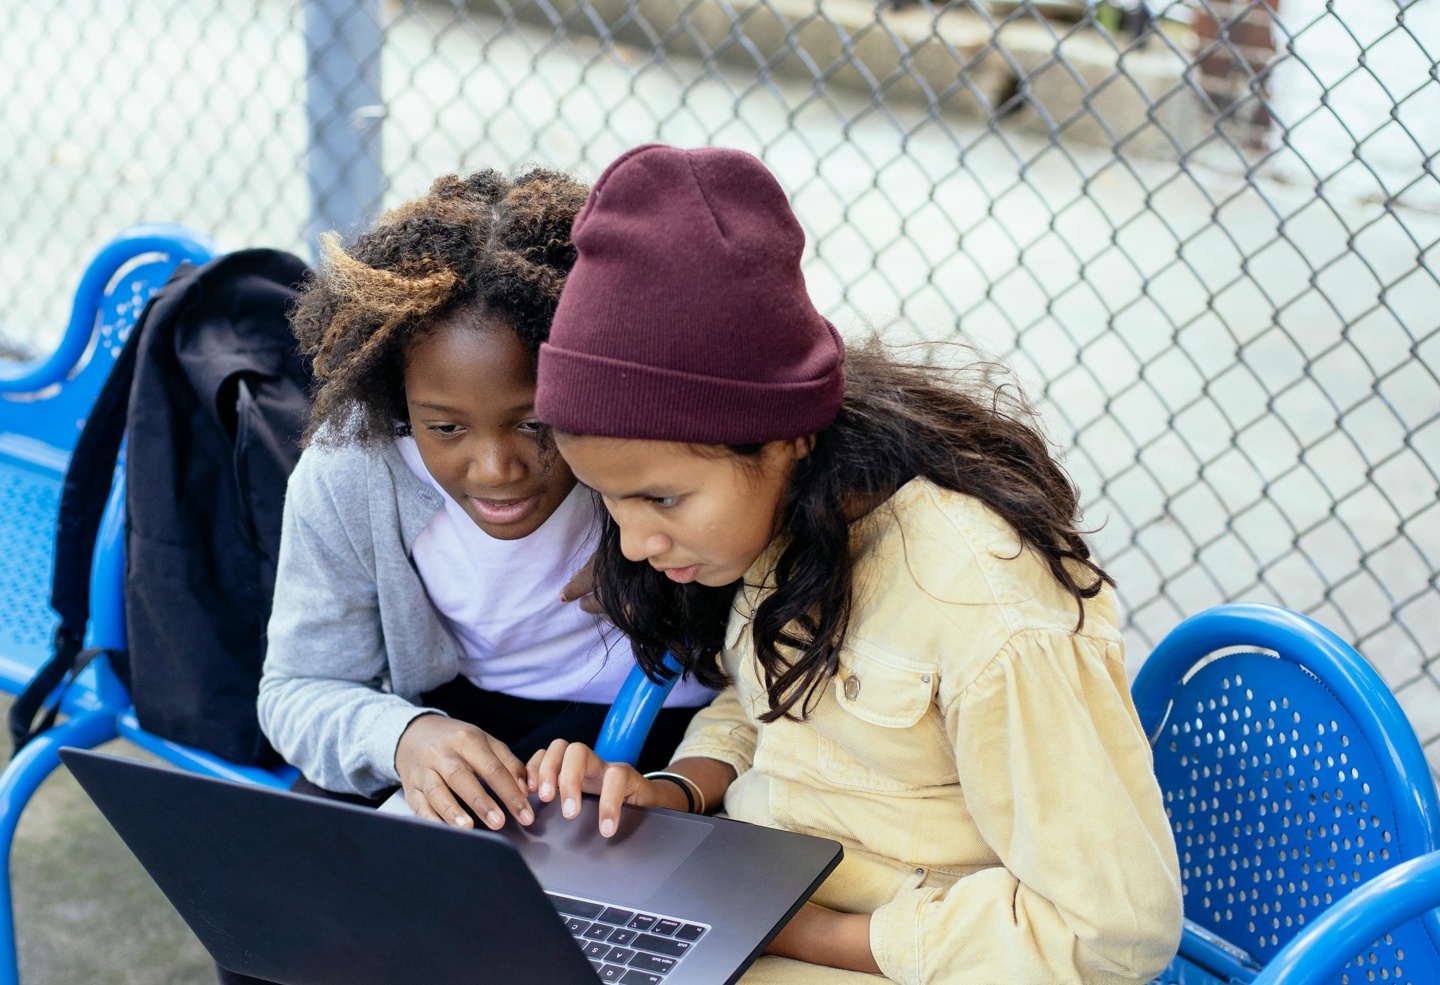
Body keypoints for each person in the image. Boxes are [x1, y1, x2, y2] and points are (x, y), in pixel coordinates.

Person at [526, 144, 1184, 984]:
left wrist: (812, 935)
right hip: (747, 900)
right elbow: (776, 709)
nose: (632, 544)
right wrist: (679, 792)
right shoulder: (784, 519)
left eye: (661, 498)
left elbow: (1115, 932)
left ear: (785, 438)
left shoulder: (986, 604)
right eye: (611, 501)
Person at [256, 168, 716, 829]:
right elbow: (297, 689)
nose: (497, 470)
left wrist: (658, 574)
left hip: (673, 732)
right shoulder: (352, 469)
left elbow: (782, 565)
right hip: (460, 720)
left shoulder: (661, 441)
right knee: (315, 858)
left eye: (535, 424)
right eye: (446, 428)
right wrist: (405, 737)